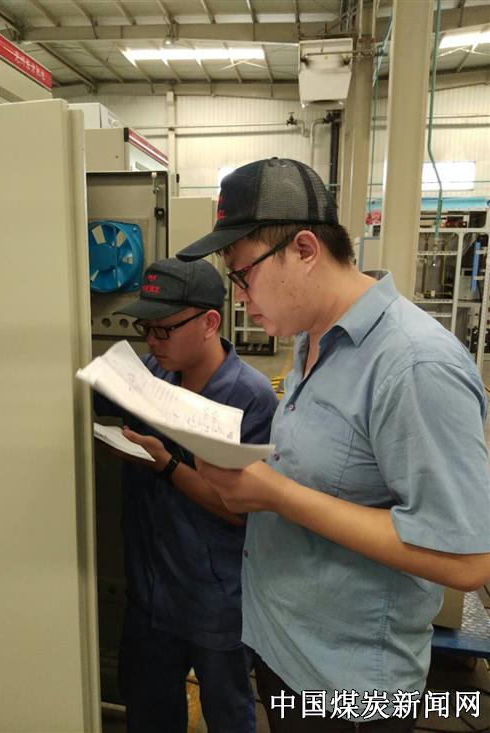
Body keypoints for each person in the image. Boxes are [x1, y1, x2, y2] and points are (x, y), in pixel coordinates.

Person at [176, 157, 490, 732]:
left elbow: (466, 560)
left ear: (303, 249)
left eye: (243, 275)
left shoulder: (414, 365)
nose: (240, 297)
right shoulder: (311, 339)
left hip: (350, 689)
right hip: (283, 650)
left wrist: (275, 496)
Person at [94, 257, 278, 733]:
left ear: (210, 322)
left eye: (164, 330)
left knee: (228, 715)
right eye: (146, 329)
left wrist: (167, 465)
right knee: (149, 714)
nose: (152, 342)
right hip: (150, 596)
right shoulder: (151, 376)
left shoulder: (249, 397)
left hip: (215, 601)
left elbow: (243, 512)